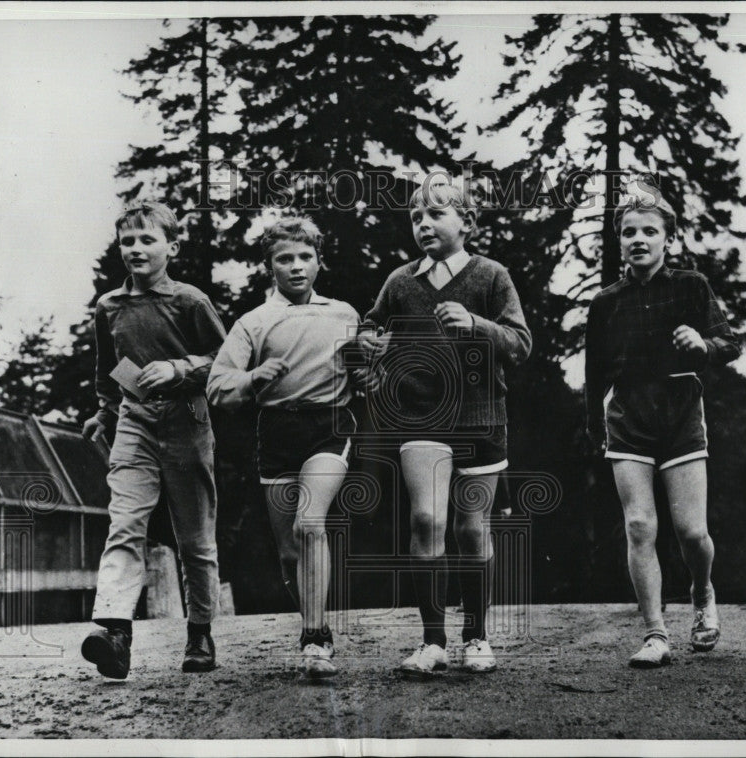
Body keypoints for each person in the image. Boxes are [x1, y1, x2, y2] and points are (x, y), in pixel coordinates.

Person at [359, 176, 532, 676]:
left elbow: (521, 343)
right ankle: (433, 641)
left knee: (472, 529)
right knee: (427, 521)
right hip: (421, 419)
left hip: (481, 420)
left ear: (468, 223)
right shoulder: (399, 280)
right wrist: (368, 346)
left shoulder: (491, 275)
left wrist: (476, 324)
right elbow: (371, 328)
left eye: (436, 214)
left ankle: (476, 636)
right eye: (416, 216)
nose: (424, 224)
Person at [585, 192, 740, 668]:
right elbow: (594, 376)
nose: (638, 239)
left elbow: (730, 343)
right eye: (629, 232)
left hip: (680, 416)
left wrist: (702, 343)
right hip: (629, 418)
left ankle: (702, 592)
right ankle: (655, 633)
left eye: (649, 231)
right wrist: (595, 427)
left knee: (692, 532)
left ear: (668, 239)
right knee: (639, 525)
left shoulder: (691, 286)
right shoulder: (606, 302)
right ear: (619, 241)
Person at [206, 216, 361, 679]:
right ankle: (316, 624)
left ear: (319, 261)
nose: (296, 267)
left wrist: (371, 367)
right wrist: (253, 378)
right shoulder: (254, 322)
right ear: (269, 267)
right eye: (284, 259)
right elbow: (218, 385)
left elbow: (367, 371)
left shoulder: (344, 313)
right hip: (275, 433)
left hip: (329, 428)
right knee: (289, 553)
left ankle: (315, 641)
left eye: (305, 257)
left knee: (310, 523)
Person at [81, 201, 227, 679]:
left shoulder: (190, 301)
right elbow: (107, 369)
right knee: (124, 523)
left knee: (194, 537)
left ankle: (200, 632)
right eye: (128, 241)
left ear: (172, 247)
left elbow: (225, 362)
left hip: (188, 421)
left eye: (148, 239)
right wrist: (104, 413)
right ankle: (115, 631)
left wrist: (181, 368)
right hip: (133, 422)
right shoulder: (108, 306)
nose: (137, 249)